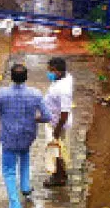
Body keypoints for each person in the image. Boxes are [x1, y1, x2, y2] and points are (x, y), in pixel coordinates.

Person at [0, 63, 52, 208]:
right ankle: (25, 187)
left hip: (9, 137)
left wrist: (4, 115)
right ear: (26, 77)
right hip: (27, 135)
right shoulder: (35, 94)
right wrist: (36, 119)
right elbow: (47, 116)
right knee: (25, 158)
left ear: (11, 77)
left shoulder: (2, 93)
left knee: (9, 170)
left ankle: (14, 203)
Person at [43, 57, 73, 188]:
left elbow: (64, 113)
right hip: (53, 120)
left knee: (56, 150)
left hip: (57, 124)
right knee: (59, 149)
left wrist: (57, 130)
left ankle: (58, 177)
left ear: (58, 72)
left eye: (51, 71)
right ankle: (62, 173)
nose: (48, 73)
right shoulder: (65, 77)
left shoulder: (64, 90)